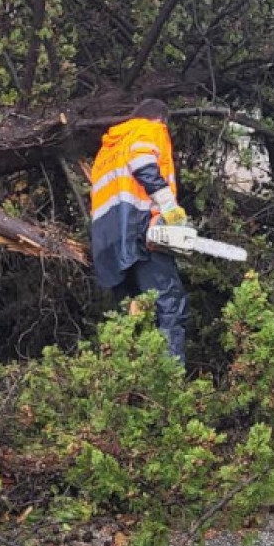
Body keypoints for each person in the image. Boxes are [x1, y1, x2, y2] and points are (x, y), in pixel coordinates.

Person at [89, 98, 190, 365]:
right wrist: (169, 209)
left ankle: (125, 380)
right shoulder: (149, 129)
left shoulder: (108, 149)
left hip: (108, 244)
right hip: (141, 234)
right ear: (161, 120)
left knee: (128, 315)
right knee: (169, 304)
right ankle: (172, 378)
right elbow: (143, 164)